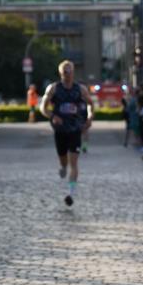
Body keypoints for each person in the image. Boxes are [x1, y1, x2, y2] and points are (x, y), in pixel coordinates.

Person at [39, 59, 93, 206]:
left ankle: (71, 193)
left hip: (75, 129)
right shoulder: (54, 88)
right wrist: (52, 116)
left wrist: (89, 118)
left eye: (70, 71)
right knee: (64, 161)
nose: (67, 74)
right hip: (60, 130)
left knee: (74, 162)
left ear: (73, 72)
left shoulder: (80, 89)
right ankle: (62, 166)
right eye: (65, 72)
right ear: (61, 73)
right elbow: (42, 107)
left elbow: (91, 104)